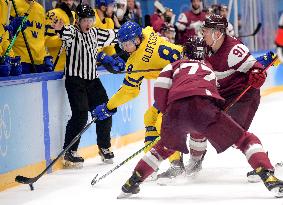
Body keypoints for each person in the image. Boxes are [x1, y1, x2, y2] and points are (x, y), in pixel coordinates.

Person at [117, 36, 283, 199]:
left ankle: (132, 182)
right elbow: (213, 94)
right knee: (244, 139)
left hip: (176, 111)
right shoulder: (209, 68)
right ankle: (268, 176)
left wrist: (170, 116)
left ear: (184, 52)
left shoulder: (172, 66)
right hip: (204, 110)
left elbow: (160, 93)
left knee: (162, 148)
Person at [183, 14, 277, 178]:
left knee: (232, 135)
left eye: (206, 31)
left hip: (243, 97)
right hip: (220, 95)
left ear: (217, 33)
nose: (202, 33)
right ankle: (195, 161)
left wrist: (257, 73)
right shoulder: (204, 47)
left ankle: (264, 165)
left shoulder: (234, 49)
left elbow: (255, 67)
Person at [91, 21, 183, 174]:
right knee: (150, 118)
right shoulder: (147, 32)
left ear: (136, 40)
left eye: (127, 44)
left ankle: (176, 165)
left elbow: (130, 91)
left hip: (180, 82)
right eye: (122, 44)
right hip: (181, 75)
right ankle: (152, 164)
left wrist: (109, 106)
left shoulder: (137, 62)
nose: (124, 48)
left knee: (162, 122)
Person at [51, 4, 121, 167]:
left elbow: (114, 35)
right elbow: (64, 32)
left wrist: (137, 33)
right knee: (81, 115)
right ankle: (70, 151)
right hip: (75, 81)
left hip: (93, 80)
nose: (88, 24)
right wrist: (60, 29)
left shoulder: (95, 33)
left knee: (105, 111)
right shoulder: (72, 32)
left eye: (91, 20)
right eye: (85, 21)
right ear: (78, 21)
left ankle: (104, 147)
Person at [10, 0, 53, 73]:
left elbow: (41, 36)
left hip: (38, 61)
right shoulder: (12, 4)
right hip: (19, 60)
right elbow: (5, 31)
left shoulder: (41, 9)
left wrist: (45, 56)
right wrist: (12, 27)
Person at [45, 0, 76, 71]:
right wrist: (64, 38)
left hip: (74, 67)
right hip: (58, 68)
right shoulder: (53, 13)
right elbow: (46, 41)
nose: (68, 1)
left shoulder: (75, 15)